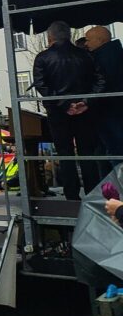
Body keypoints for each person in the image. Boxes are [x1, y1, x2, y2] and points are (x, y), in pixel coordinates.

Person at [34, 20, 105, 200]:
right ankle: (92, 193)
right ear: (69, 35)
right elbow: (100, 80)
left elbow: (42, 85)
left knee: (65, 153)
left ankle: (71, 194)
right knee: (87, 152)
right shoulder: (85, 55)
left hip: (58, 112)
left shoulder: (43, 58)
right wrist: (86, 101)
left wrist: (65, 104)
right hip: (85, 111)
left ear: (50, 37)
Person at [86, 26, 123, 172]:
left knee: (114, 150)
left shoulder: (99, 59)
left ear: (100, 40)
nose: (86, 44)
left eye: (88, 40)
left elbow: (101, 83)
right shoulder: (117, 54)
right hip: (114, 109)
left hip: (107, 111)